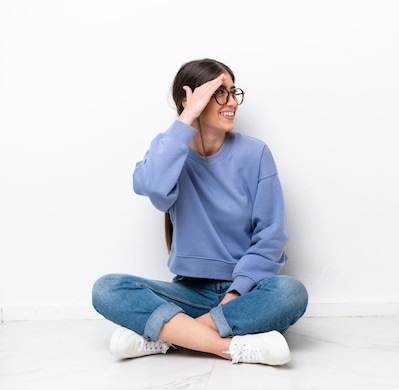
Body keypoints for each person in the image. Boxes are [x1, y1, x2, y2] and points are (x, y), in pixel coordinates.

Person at [92, 58, 308, 366]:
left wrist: (235, 294)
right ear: (189, 99)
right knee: (107, 288)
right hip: (189, 293)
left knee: (290, 293)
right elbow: (149, 186)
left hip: (245, 294)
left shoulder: (255, 153)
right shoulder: (169, 151)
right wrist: (186, 118)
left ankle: (167, 336)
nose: (231, 101)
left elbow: (270, 236)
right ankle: (230, 347)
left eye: (234, 92)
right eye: (219, 93)